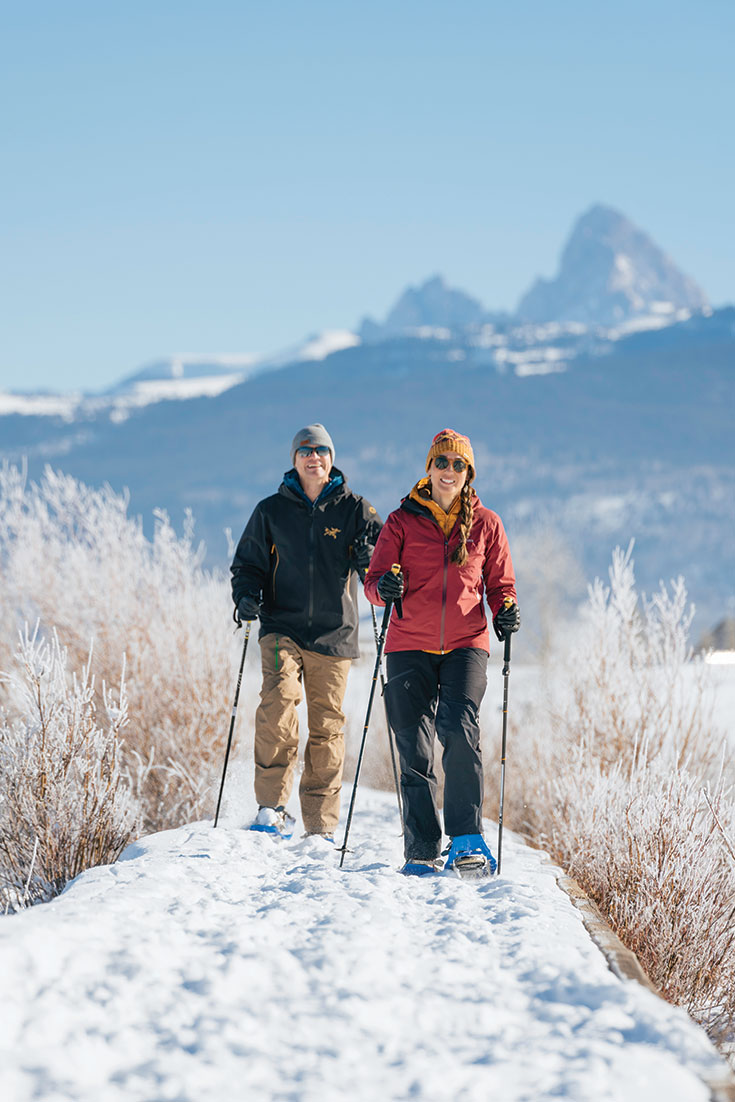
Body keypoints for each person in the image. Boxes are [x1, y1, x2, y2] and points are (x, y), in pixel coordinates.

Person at [364, 428, 520, 876]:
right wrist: (384, 589)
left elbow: (501, 585)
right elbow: (374, 583)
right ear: (429, 468)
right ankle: (421, 845)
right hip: (408, 642)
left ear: (468, 473)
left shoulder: (487, 524)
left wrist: (506, 610)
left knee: (457, 727)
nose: (449, 471)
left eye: (458, 465)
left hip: (466, 644)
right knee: (412, 744)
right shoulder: (400, 521)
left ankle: (467, 838)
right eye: (442, 462)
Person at [231, 423, 382, 840]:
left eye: (321, 450)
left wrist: (374, 568)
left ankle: (320, 824)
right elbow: (247, 566)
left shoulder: (356, 510)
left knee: (327, 727)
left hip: (335, 635)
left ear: (332, 458)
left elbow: (380, 561)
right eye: (304, 451)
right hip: (281, 627)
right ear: (294, 460)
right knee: (278, 706)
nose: (313, 457)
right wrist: (245, 596)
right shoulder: (270, 511)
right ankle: (271, 808)